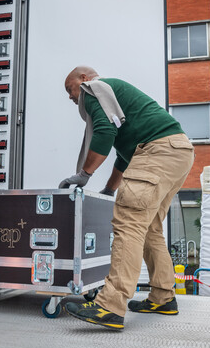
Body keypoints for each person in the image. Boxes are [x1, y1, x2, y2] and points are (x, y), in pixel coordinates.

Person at [59, 65, 194, 330]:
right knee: (150, 229)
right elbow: (124, 156)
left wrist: (85, 173)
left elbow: (105, 132)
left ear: (83, 79)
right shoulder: (115, 97)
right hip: (177, 151)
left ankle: (109, 305)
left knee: (128, 224)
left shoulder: (95, 89)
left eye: (70, 89)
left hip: (157, 151)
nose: (71, 97)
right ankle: (163, 297)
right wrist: (110, 189)